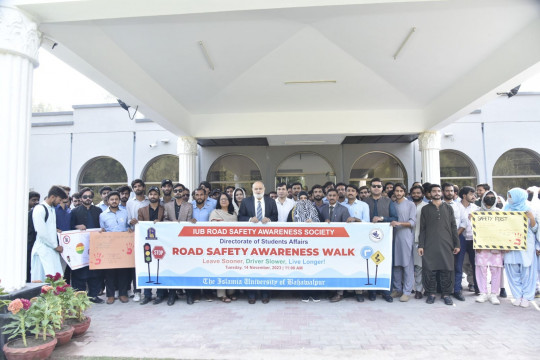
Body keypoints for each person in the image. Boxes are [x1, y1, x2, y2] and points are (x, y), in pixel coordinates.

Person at [418, 184, 460, 306]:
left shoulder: (448, 208)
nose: (436, 193)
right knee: (430, 269)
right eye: (434, 191)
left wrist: (456, 244)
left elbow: (453, 227)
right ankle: (431, 293)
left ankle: (446, 294)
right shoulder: (425, 209)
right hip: (430, 244)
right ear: (429, 194)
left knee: (447, 269)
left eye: (438, 191)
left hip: (447, 244)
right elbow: (423, 229)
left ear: (441, 192)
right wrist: (421, 245)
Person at [238, 181, 278, 304]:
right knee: (251, 266)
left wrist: (269, 219)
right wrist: (250, 219)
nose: (258, 191)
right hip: (250, 241)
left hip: (267, 241)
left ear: (264, 189)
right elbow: (240, 217)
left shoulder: (271, 201)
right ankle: (251, 295)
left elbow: (276, 217)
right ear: (252, 190)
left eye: (260, 188)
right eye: (256, 189)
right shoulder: (246, 201)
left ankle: (265, 294)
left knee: (266, 266)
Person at [363, 178, 398, 302]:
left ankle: (386, 292)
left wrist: (382, 218)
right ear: (370, 188)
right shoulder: (364, 201)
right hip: (368, 238)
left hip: (385, 239)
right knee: (370, 263)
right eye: (374, 186)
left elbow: (395, 217)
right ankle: (372, 292)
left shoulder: (389, 202)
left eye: (378, 186)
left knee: (386, 262)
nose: (376, 188)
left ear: (382, 188)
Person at [503, 188, 538, 308]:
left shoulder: (530, 208)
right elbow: (500, 226)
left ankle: (527, 296)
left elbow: (535, 229)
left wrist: (532, 218)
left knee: (527, 271)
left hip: (526, 244)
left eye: (511, 196)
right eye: (508, 196)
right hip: (510, 244)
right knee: (512, 270)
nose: (509, 199)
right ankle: (517, 295)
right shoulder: (506, 207)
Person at [70, 187, 104, 303]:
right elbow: (70, 228)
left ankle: (93, 295)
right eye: (85, 197)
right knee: (80, 271)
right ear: (80, 198)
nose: (88, 198)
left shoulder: (98, 211)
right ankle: (80, 297)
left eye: (90, 196)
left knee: (95, 271)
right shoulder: (74, 212)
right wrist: (76, 227)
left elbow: (102, 225)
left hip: (95, 245)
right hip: (80, 247)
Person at [287, 192, 322, 302]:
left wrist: (314, 223)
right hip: (299, 245)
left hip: (314, 246)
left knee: (314, 269)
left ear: (309, 199)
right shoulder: (292, 211)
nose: (303, 200)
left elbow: (322, 224)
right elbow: (288, 227)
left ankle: (315, 294)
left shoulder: (315, 210)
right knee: (301, 270)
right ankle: (304, 294)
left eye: (305, 198)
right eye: (300, 198)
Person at [163, 183, 195, 304]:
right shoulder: (167, 205)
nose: (178, 192)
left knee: (187, 267)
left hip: (185, 241)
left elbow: (189, 219)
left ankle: (189, 295)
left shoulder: (189, 206)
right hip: (171, 241)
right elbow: (164, 220)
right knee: (172, 268)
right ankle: (172, 295)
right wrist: (172, 222)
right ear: (173, 192)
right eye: (175, 191)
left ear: (183, 192)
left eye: (180, 191)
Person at [99, 191, 131, 304]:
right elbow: (101, 230)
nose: (114, 201)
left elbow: (129, 226)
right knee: (109, 272)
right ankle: (110, 295)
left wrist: (129, 229)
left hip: (123, 246)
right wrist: (101, 232)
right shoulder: (102, 215)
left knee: (123, 271)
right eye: (111, 199)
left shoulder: (125, 213)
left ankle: (123, 294)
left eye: (116, 199)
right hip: (109, 247)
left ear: (119, 200)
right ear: (108, 201)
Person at [321, 189, 352, 302]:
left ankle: (340, 293)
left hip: (339, 244)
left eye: (334, 195)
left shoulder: (344, 209)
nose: (332, 197)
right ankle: (331, 291)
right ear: (327, 197)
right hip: (325, 244)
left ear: (338, 197)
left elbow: (347, 227)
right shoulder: (323, 209)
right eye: (330, 195)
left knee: (339, 267)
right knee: (328, 267)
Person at [30, 186, 68, 282]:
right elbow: (41, 233)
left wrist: (55, 231)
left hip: (51, 251)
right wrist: (55, 246)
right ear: (52, 197)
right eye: (59, 200)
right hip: (42, 251)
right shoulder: (40, 209)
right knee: (41, 283)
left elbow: (47, 228)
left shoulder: (51, 209)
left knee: (55, 282)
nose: (60, 203)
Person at [138, 187, 167, 305]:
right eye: (151, 194)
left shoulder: (164, 209)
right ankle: (147, 295)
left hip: (161, 243)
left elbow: (167, 222)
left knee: (160, 268)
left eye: (155, 194)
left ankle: (160, 295)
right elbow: (139, 226)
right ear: (148, 196)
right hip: (147, 243)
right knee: (147, 268)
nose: (153, 196)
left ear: (158, 196)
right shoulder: (142, 210)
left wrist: (161, 223)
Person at [474, 190, 504, 305]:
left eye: (492, 197)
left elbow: (505, 230)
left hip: (496, 246)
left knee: (496, 269)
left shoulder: (501, 213)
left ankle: (494, 294)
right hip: (481, 246)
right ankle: (483, 293)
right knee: (481, 268)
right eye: (488, 197)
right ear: (483, 198)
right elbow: (473, 230)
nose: (490, 199)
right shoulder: (476, 212)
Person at [209, 193, 238, 303]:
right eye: (221, 199)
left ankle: (231, 292)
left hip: (233, 245)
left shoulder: (234, 213)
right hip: (220, 246)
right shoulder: (215, 212)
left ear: (230, 201)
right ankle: (221, 294)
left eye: (226, 199)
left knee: (233, 269)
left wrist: (224, 223)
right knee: (222, 269)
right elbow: (212, 227)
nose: (224, 201)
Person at [389, 183, 416, 302]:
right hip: (393, 235)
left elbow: (412, 222)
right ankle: (397, 289)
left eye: (401, 191)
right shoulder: (393, 204)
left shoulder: (410, 204)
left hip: (405, 236)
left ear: (404, 192)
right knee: (396, 264)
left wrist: (399, 223)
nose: (398, 193)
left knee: (407, 264)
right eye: (397, 191)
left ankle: (407, 291)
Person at [454, 186, 480, 300]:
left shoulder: (476, 208)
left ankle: (478, 288)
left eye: (474, 194)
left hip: (474, 239)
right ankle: (457, 289)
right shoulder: (455, 207)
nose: (473, 196)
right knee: (459, 264)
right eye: (471, 194)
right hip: (461, 238)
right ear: (464, 195)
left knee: (476, 264)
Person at [126, 179, 149, 302]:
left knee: (149, 262)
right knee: (137, 265)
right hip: (135, 235)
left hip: (149, 236)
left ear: (144, 187)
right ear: (133, 189)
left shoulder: (150, 200)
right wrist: (131, 222)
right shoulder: (130, 203)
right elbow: (128, 219)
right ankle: (137, 291)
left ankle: (148, 292)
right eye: (135, 186)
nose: (138, 188)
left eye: (140, 186)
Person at [410, 185, 427, 299]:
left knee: (419, 267)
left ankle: (419, 290)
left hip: (420, 240)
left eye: (418, 193)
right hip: (406, 239)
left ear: (422, 194)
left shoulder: (426, 207)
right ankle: (409, 288)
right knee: (408, 266)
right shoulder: (407, 205)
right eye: (414, 193)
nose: (416, 195)